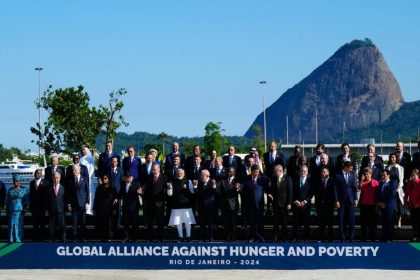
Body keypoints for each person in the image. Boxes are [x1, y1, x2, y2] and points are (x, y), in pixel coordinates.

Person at [241, 164, 270, 242]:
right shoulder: (246, 178)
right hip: (249, 204)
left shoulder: (263, 179)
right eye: (254, 172)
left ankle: (261, 237)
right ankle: (252, 237)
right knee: (252, 222)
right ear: (251, 171)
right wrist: (238, 187)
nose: (256, 173)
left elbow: (267, 188)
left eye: (257, 172)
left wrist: (269, 194)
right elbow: (242, 186)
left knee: (260, 221)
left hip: (259, 204)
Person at [167, 168, 196, 242]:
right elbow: (170, 194)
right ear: (176, 173)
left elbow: (192, 192)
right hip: (176, 204)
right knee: (178, 221)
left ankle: (188, 236)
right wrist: (169, 188)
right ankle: (180, 236)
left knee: (188, 221)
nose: (179, 174)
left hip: (186, 204)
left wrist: (195, 186)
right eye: (178, 173)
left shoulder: (188, 181)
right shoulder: (172, 182)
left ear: (184, 173)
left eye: (181, 173)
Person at [141, 164, 167, 242]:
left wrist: (169, 187)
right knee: (150, 222)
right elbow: (145, 185)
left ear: (159, 169)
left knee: (160, 222)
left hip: (159, 203)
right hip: (150, 203)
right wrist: (141, 189)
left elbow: (166, 187)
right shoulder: (150, 177)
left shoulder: (164, 177)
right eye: (152, 169)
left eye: (154, 169)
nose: (153, 171)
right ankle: (150, 238)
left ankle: (160, 238)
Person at [334, 161, 358, 242]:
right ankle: (342, 238)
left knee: (351, 220)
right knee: (341, 220)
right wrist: (336, 200)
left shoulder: (352, 174)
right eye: (350, 168)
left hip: (350, 201)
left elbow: (354, 188)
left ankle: (351, 237)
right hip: (341, 201)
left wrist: (356, 199)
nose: (351, 170)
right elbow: (335, 189)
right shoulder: (337, 175)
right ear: (345, 167)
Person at [268, 164, 292, 242]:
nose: (274, 172)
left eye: (275, 171)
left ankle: (284, 238)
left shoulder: (288, 178)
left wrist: (289, 203)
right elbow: (271, 192)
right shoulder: (273, 178)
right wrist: (271, 203)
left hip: (284, 204)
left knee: (284, 222)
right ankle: (275, 237)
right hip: (275, 204)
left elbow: (290, 192)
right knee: (275, 222)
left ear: (280, 171)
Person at [194, 169, 220, 242]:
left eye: (203, 175)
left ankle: (211, 237)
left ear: (207, 176)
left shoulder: (213, 182)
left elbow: (218, 193)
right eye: (201, 175)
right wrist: (195, 187)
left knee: (211, 223)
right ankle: (203, 238)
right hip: (201, 207)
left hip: (211, 207)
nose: (201, 176)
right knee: (202, 223)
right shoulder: (199, 183)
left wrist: (214, 186)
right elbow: (197, 195)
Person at [66, 165, 90, 242]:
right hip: (74, 204)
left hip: (82, 204)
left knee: (83, 222)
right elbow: (68, 193)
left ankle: (83, 237)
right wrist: (69, 204)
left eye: (76, 170)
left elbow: (87, 192)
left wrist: (87, 202)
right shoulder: (70, 180)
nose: (74, 172)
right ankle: (75, 238)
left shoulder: (85, 179)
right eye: (73, 170)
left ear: (79, 170)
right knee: (74, 222)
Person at [94, 174, 118, 241]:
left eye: (105, 178)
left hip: (109, 209)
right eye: (103, 178)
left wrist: (114, 209)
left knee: (109, 224)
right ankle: (102, 238)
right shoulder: (99, 187)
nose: (104, 180)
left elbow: (116, 199)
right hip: (100, 209)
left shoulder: (112, 188)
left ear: (108, 179)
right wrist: (94, 209)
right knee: (101, 224)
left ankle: (109, 238)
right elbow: (96, 199)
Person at [219, 167, 241, 241]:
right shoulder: (223, 179)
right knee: (226, 222)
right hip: (224, 204)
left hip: (233, 205)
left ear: (234, 172)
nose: (229, 173)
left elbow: (241, 190)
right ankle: (226, 237)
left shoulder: (237, 180)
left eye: (231, 172)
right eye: (228, 172)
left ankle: (234, 237)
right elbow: (219, 190)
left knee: (233, 222)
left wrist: (238, 188)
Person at [314, 168, 336, 242]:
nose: (323, 173)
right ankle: (321, 238)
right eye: (322, 172)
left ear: (328, 173)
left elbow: (334, 193)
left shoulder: (332, 181)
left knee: (330, 223)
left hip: (329, 205)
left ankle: (330, 239)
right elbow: (315, 193)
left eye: (325, 172)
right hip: (320, 205)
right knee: (321, 223)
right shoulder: (317, 181)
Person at [292, 165, 313, 241]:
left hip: (306, 205)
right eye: (302, 171)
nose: (303, 172)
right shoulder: (294, 180)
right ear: (299, 172)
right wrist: (295, 201)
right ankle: (295, 237)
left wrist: (305, 201)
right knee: (295, 222)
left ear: (307, 172)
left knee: (306, 222)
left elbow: (311, 193)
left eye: (305, 171)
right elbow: (292, 192)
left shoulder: (310, 181)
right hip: (296, 204)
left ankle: (306, 237)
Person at [358, 167, 380, 241]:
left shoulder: (375, 182)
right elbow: (359, 188)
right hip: (364, 205)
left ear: (371, 174)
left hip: (373, 205)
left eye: (367, 174)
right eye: (365, 174)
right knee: (364, 223)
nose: (366, 176)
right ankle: (364, 238)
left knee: (372, 223)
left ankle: (372, 237)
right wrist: (361, 179)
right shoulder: (362, 182)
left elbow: (378, 194)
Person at [119, 171, 141, 242]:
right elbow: (120, 194)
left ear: (131, 177)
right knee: (125, 223)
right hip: (125, 207)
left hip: (134, 207)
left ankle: (135, 238)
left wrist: (140, 192)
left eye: (128, 177)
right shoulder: (122, 184)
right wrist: (116, 198)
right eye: (125, 177)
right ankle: (127, 237)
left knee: (135, 223)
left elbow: (140, 192)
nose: (126, 179)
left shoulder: (136, 183)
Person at [6, 174, 29, 243]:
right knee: (11, 225)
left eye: (17, 181)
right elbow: (7, 201)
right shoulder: (10, 190)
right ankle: (11, 239)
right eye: (14, 181)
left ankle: (18, 239)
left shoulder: (24, 189)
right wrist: (7, 209)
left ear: (19, 181)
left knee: (18, 225)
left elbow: (26, 200)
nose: (15, 182)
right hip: (11, 210)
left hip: (20, 211)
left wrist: (25, 208)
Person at [29, 168, 49, 241]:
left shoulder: (46, 183)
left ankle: (42, 239)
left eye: (38, 173)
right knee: (35, 224)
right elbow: (31, 195)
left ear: (41, 174)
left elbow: (47, 197)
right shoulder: (31, 183)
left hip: (43, 208)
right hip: (34, 207)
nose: (36, 174)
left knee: (42, 224)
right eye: (36, 173)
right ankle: (35, 239)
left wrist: (46, 208)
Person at [45, 172, 66, 242]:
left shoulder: (63, 188)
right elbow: (47, 199)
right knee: (51, 225)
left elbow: (65, 199)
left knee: (62, 225)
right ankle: (51, 238)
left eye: (58, 178)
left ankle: (62, 238)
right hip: (52, 209)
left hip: (61, 209)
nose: (56, 179)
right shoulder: (49, 188)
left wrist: (65, 208)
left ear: (60, 179)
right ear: (52, 178)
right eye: (55, 178)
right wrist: (47, 209)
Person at [386, 152, 405, 228]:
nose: (392, 159)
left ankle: (399, 220)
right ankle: (391, 221)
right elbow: (387, 179)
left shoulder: (401, 168)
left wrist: (398, 188)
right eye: (391, 157)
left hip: (398, 189)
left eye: (393, 157)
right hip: (390, 188)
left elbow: (401, 180)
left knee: (399, 205)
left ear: (396, 158)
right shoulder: (388, 168)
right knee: (391, 205)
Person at [378, 170, 398, 242]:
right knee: (384, 223)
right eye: (382, 175)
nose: (383, 177)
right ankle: (384, 237)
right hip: (382, 207)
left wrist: (385, 203)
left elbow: (392, 194)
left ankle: (389, 238)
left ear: (388, 175)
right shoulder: (381, 184)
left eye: (384, 175)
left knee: (390, 223)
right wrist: (380, 202)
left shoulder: (393, 183)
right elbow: (379, 195)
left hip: (390, 206)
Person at [108, 155, 123, 236]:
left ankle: (118, 226)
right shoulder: (108, 170)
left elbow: (121, 183)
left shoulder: (121, 170)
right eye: (112, 161)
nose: (114, 163)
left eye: (115, 161)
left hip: (118, 194)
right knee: (110, 211)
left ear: (117, 162)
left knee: (118, 211)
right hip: (109, 195)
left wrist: (119, 196)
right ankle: (110, 229)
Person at [404, 169, 420, 241]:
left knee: (418, 221)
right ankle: (414, 235)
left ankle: (418, 236)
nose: (413, 177)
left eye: (414, 176)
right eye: (412, 175)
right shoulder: (409, 183)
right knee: (413, 221)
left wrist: (418, 203)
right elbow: (406, 194)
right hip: (411, 204)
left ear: (418, 175)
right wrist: (405, 202)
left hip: (418, 205)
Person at [80, 146, 96, 215]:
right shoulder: (80, 158)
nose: (83, 151)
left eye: (84, 150)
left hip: (88, 179)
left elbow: (92, 169)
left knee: (89, 193)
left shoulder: (90, 158)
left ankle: (89, 210)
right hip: (81, 179)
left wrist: (87, 177)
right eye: (82, 150)